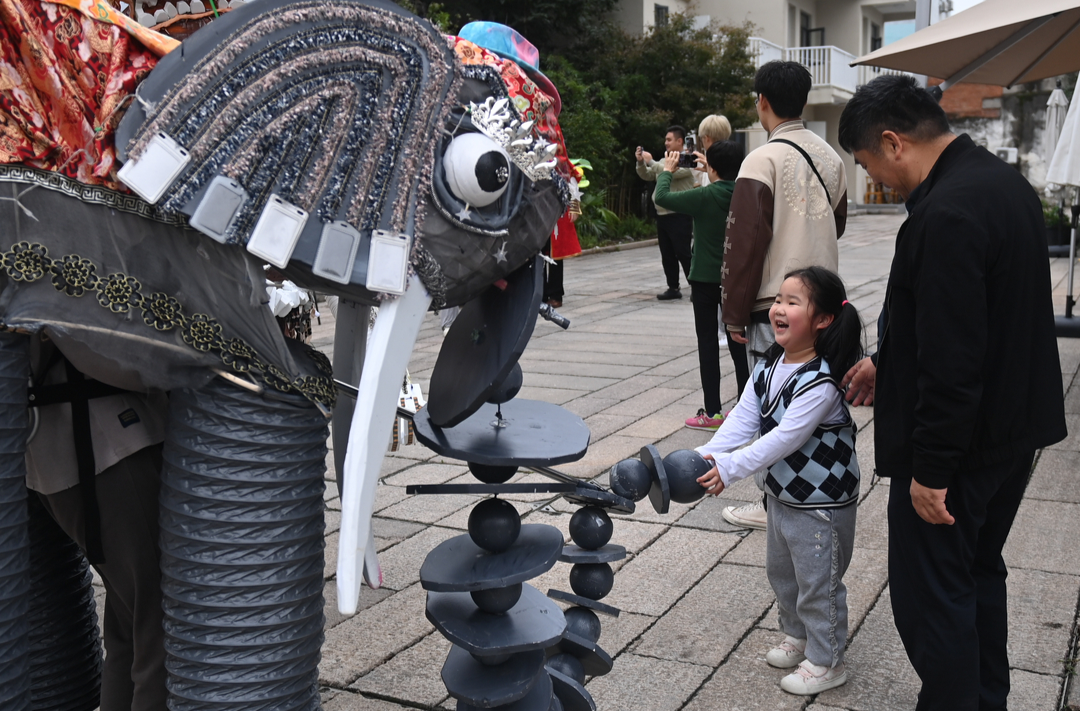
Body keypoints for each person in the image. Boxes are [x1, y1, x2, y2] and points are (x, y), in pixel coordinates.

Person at [837, 75, 1067, 711]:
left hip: (960, 446)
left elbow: (954, 357)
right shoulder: (1002, 185)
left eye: (869, 164)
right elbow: (978, 315)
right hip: (1011, 430)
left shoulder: (947, 212)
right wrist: (891, 359)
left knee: (931, 594)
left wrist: (931, 469)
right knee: (978, 573)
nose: (877, 180)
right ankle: (985, 696)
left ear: (893, 142)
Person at [695, 266, 863, 696]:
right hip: (784, 495)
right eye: (778, 301)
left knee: (817, 580)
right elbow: (745, 419)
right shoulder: (771, 363)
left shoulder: (821, 379)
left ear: (823, 319)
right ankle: (800, 637)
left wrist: (730, 469)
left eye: (792, 302)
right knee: (783, 573)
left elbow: (784, 438)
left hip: (822, 500)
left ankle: (827, 661)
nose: (778, 310)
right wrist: (707, 453)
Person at [719, 60, 848, 531]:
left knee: (771, 400)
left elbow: (744, 243)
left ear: (763, 102)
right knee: (814, 396)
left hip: (775, 305)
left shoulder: (762, 158)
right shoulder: (831, 157)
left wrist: (733, 311)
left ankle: (773, 500)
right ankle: (812, 482)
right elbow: (839, 224)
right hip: (824, 303)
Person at [25, 333, 169, 711]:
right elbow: (98, 342)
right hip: (99, 442)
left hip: (76, 445)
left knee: (130, 626)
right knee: (162, 622)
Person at [652, 141, 743, 431]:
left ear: (712, 167)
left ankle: (713, 412)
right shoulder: (745, 194)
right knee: (738, 343)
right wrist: (713, 170)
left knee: (707, 343)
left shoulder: (703, 196)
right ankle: (744, 410)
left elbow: (662, 196)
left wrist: (667, 170)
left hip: (704, 279)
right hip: (736, 280)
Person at [636, 126, 696, 300]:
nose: (666, 143)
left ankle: (696, 286)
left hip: (679, 213)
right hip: (662, 214)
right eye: (665, 140)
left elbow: (671, 173)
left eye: (669, 139)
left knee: (683, 252)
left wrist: (653, 162)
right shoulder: (665, 159)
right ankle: (673, 287)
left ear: (680, 141)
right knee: (667, 253)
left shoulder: (688, 158)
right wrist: (641, 162)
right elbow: (648, 175)